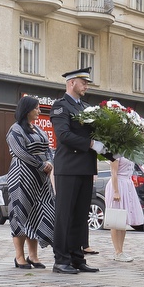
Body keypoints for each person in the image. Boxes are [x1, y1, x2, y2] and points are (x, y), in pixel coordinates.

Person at [51, 67, 102, 274]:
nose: (86, 86)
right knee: (65, 215)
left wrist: (110, 149)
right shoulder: (60, 107)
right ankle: (61, 259)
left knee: (81, 215)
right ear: (71, 83)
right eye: (84, 82)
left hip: (85, 168)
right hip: (69, 168)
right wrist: (90, 144)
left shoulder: (86, 108)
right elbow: (63, 135)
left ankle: (77, 257)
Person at [6, 96, 55, 268]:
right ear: (27, 110)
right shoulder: (16, 130)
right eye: (36, 108)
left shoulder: (39, 129)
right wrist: (41, 164)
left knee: (37, 214)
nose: (39, 111)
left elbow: (48, 149)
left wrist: (49, 162)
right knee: (20, 214)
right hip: (22, 178)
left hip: (41, 180)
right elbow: (20, 152)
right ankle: (19, 257)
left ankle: (33, 256)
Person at [105, 155, 144, 262]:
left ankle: (121, 250)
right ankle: (117, 251)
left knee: (123, 220)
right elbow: (114, 173)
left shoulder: (130, 151)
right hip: (118, 185)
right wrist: (116, 191)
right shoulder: (117, 153)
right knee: (116, 218)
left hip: (127, 185)